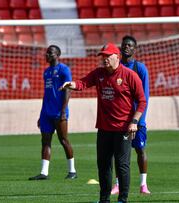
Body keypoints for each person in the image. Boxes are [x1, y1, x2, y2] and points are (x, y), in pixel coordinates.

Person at [60, 42, 146, 203]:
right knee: (103, 165)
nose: (104, 59)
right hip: (104, 129)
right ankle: (104, 199)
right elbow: (83, 83)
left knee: (122, 165)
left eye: (107, 56)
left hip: (123, 129)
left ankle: (122, 199)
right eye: (103, 56)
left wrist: (134, 121)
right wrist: (70, 84)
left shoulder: (129, 75)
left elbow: (142, 101)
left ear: (116, 57)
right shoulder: (99, 73)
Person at [29, 45, 77, 180]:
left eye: (50, 53)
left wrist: (63, 111)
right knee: (45, 141)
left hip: (58, 112)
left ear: (58, 55)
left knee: (64, 140)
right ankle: (44, 173)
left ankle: (72, 171)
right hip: (46, 113)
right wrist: (41, 114)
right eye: (47, 53)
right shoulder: (46, 72)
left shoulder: (64, 70)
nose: (47, 55)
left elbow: (68, 90)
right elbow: (47, 94)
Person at [111, 35, 151, 195]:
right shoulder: (116, 68)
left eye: (130, 45)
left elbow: (145, 96)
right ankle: (118, 184)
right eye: (124, 45)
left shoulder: (140, 69)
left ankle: (143, 185)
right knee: (119, 153)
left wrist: (139, 119)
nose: (126, 47)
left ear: (135, 49)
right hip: (120, 120)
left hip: (136, 120)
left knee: (140, 150)